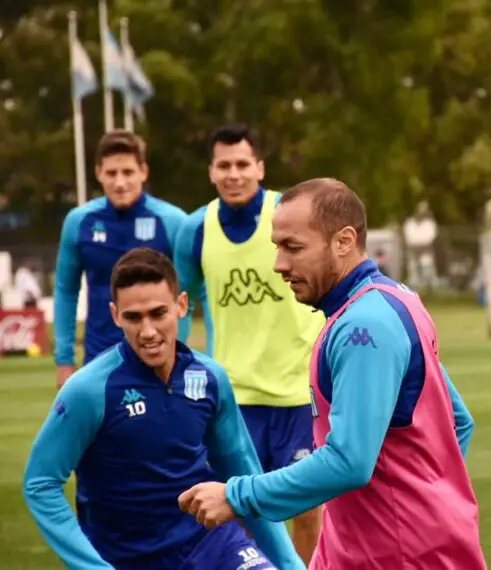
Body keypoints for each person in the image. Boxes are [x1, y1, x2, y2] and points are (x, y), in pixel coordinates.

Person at [178, 178, 487, 569]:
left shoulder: (364, 328)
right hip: (378, 551)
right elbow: (458, 423)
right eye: (276, 247)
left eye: (293, 247)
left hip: (398, 557)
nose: (279, 264)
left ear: (343, 241)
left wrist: (236, 496)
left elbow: (348, 462)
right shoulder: (392, 301)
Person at [23, 247, 304, 570]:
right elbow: (40, 483)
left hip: (212, 545)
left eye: (158, 313)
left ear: (181, 305)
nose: (148, 332)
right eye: (133, 317)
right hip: (127, 559)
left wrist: (290, 564)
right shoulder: (89, 390)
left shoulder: (210, 378)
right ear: (115, 315)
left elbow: (243, 471)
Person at [174, 124, 324, 563]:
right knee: (236, 509)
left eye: (243, 163)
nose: (234, 173)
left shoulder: (289, 212)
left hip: (298, 392)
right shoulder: (195, 229)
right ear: (211, 171)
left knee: (308, 509)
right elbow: (179, 307)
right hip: (234, 397)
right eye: (225, 165)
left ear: (260, 167)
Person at [54, 129, 188, 390]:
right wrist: (64, 360)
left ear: (143, 172)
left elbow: (189, 293)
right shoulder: (79, 222)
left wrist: (178, 352)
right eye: (111, 173)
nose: (120, 182)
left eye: (127, 172)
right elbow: (66, 290)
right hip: (99, 359)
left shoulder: (173, 222)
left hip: (158, 360)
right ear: (98, 173)